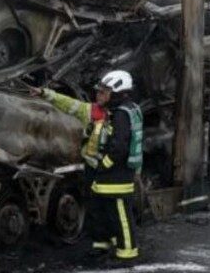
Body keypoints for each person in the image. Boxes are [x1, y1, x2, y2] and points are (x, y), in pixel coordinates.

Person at [30, 70, 143, 261]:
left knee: (120, 213)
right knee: (99, 211)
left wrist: (105, 165)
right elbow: (69, 105)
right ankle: (102, 246)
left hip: (115, 173)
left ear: (117, 92)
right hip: (97, 172)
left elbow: (120, 146)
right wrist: (45, 94)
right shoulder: (98, 112)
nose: (99, 95)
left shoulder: (122, 115)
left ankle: (127, 254)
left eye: (104, 92)